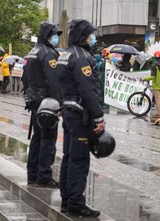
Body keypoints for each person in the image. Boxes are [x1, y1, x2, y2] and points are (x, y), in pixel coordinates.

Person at [57, 19, 104, 218]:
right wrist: (99, 116)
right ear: (84, 35)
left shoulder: (65, 54)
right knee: (79, 160)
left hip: (68, 111)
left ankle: (67, 199)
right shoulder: (81, 57)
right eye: (91, 34)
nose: (93, 37)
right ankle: (76, 203)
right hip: (80, 115)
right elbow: (88, 90)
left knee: (69, 157)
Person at [25, 22, 62, 188]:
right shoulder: (48, 53)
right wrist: (59, 104)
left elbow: (25, 78)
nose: (56, 38)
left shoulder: (33, 51)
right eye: (54, 35)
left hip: (34, 100)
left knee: (37, 137)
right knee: (47, 138)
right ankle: (44, 175)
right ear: (48, 35)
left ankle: (32, 174)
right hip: (46, 101)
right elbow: (54, 80)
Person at [143, 51, 160, 119]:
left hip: (156, 85)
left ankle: (159, 114)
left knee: (157, 100)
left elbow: (153, 77)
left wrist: (145, 78)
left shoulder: (154, 66)